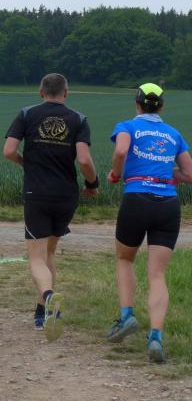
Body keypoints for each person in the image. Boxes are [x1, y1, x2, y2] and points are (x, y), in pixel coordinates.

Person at [3, 73, 98, 342]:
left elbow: (8, 151)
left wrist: (26, 163)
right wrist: (92, 183)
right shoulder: (79, 119)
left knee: (36, 257)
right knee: (50, 252)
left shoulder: (27, 114)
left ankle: (47, 297)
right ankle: (41, 314)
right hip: (66, 195)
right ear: (66, 93)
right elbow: (84, 160)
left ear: (40, 91)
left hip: (37, 193)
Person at [105, 83, 192, 363]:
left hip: (137, 199)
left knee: (125, 259)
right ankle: (156, 337)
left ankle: (126, 316)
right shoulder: (174, 134)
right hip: (167, 204)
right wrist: (169, 173)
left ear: (137, 104)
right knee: (157, 275)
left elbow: (121, 152)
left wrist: (116, 174)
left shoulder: (127, 126)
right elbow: (190, 174)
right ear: (162, 106)